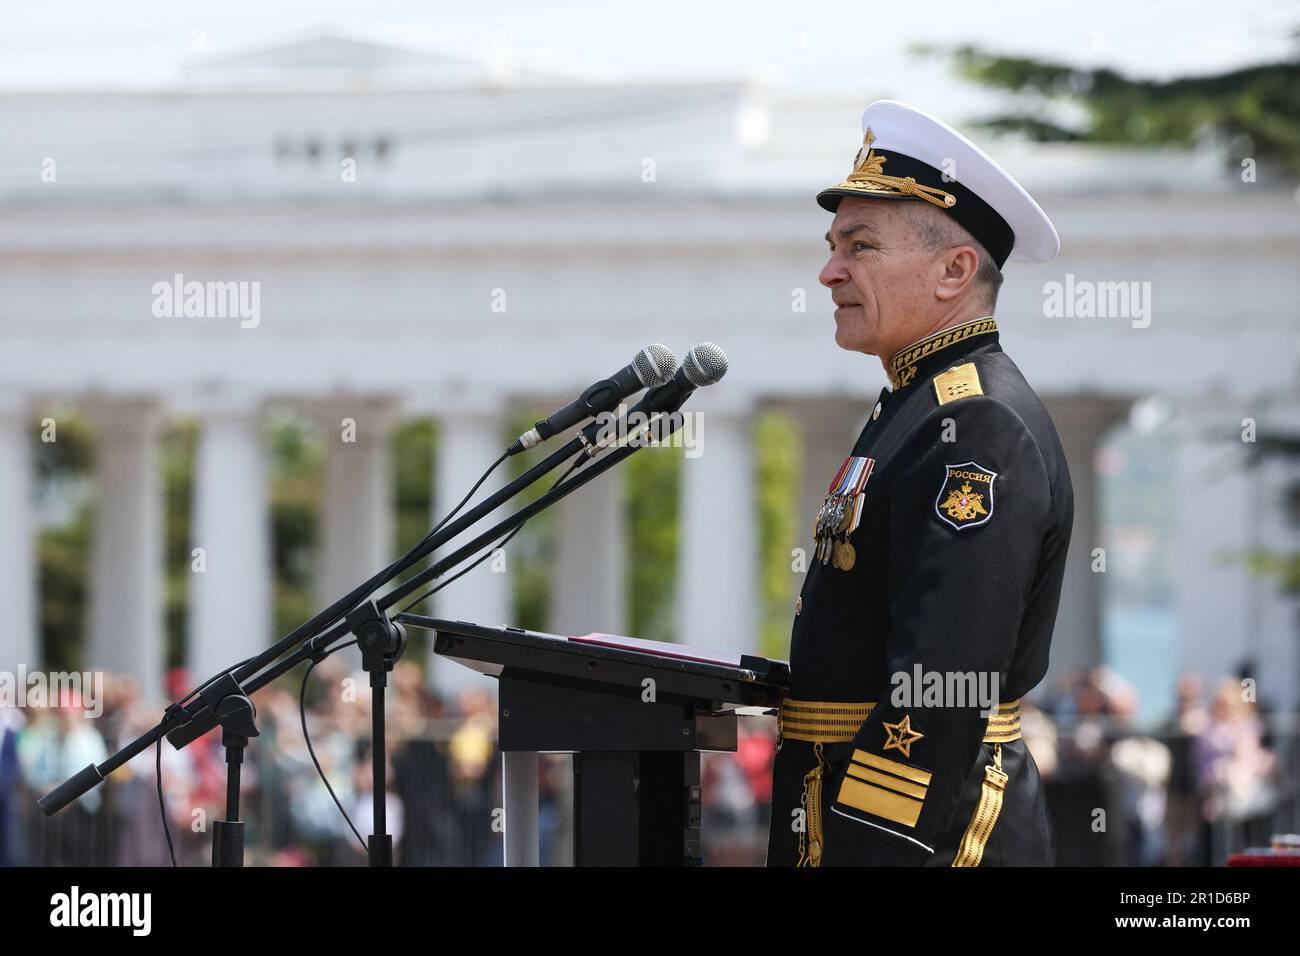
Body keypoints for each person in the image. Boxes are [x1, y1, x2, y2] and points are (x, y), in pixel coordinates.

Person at [767, 100, 1074, 866]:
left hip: (926, 838)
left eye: (860, 246)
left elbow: (946, 683)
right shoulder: (917, 403)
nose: (829, 270)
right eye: (834, 245)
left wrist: (871, 846)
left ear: (954, 270)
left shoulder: (975, 423)